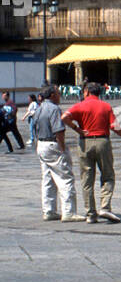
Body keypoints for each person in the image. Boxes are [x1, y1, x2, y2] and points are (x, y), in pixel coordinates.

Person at [61, 82, 121, 223]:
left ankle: (90, 214)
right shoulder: (105, 106)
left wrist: (76, 128)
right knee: (108, 175)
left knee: (87, 179)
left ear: (87, 92)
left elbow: (64, 117)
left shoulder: (80, 105)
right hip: (103, 142)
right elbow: (115, 126)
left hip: (85, 142)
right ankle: (105, 207)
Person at [31, 83, 85, 221]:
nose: (60, 96)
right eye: (58, 93)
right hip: (53, 144)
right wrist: (62, 148)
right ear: (53, 95)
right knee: (65, 177)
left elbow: (34, 127)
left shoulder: (39, 108)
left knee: (47, 178)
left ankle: (48, 210)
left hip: (41, 144)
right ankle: (68, 211)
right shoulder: (54, 109)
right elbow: (58, 130)